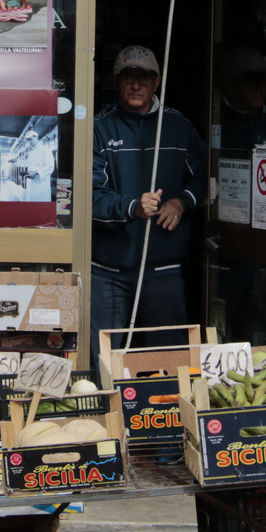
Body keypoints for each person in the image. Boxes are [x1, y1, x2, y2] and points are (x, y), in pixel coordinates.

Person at [91, 45, 206, 365]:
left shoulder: (179, 127)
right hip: (108, 272)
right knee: (104, 363)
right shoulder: (100, 128)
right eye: (129, 77)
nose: (136, 85)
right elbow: (89, 197)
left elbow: (205, 182)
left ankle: (165, 414)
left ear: (157, 82)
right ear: (116, 82)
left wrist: (181, 201)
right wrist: (132, 208)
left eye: (144, 78)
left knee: (168, 363)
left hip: (163, 271)